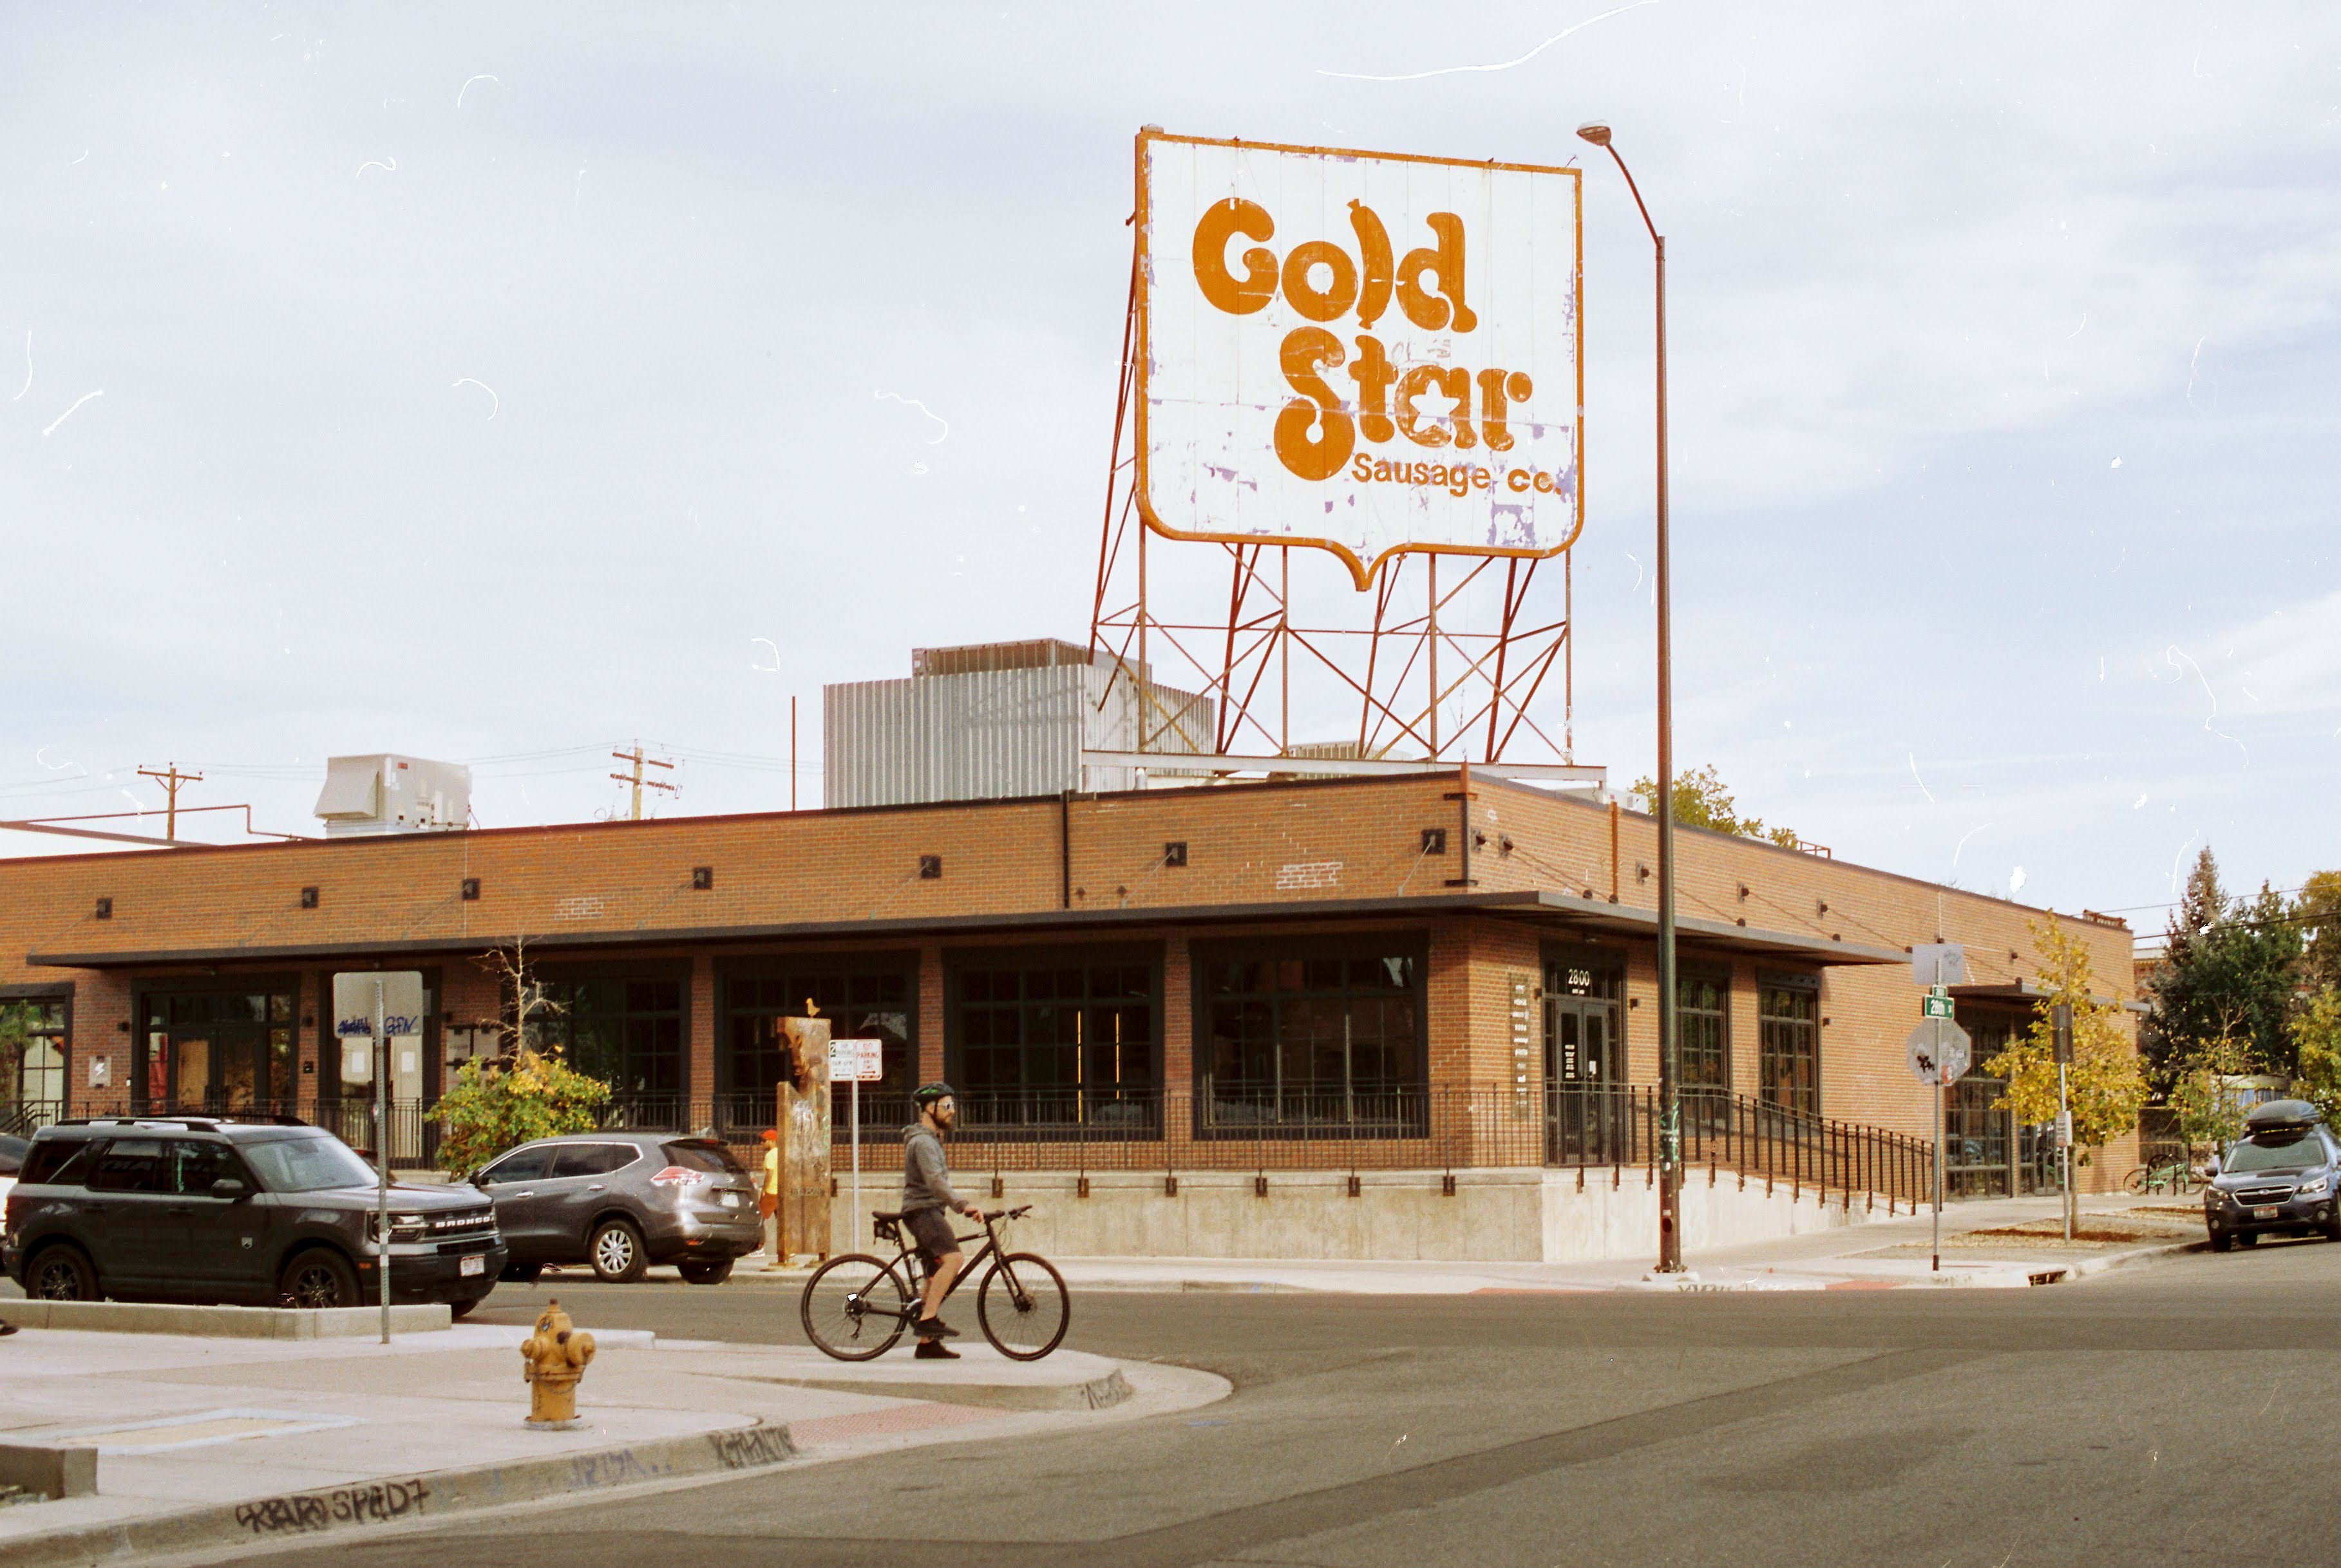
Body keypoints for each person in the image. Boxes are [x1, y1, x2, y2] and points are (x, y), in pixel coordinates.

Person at [902, 1082, 984, 1359]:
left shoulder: (931, 1140)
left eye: (953, 1105)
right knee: (954, 1259)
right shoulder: (923, 1142)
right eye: (947, 1106)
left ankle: (927, 1343)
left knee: (935, 1273)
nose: (953, 1111)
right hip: (923, 1211)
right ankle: (928, 1320)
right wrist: (964, 1205)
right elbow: (936, 1182)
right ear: (929, 1108)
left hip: (928, 1210)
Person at [758, 1128, 782, 1265]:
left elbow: (770, 1173)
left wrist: (764, 1189)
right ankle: (788, 1248)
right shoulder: (781, 1153)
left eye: (764, 1140)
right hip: (780, 1191)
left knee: (759, 1219)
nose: (762, 1143)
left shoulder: (770, 1155)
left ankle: (758, 1248)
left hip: (771, 1191)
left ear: (772, 1141)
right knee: (782, 1221)